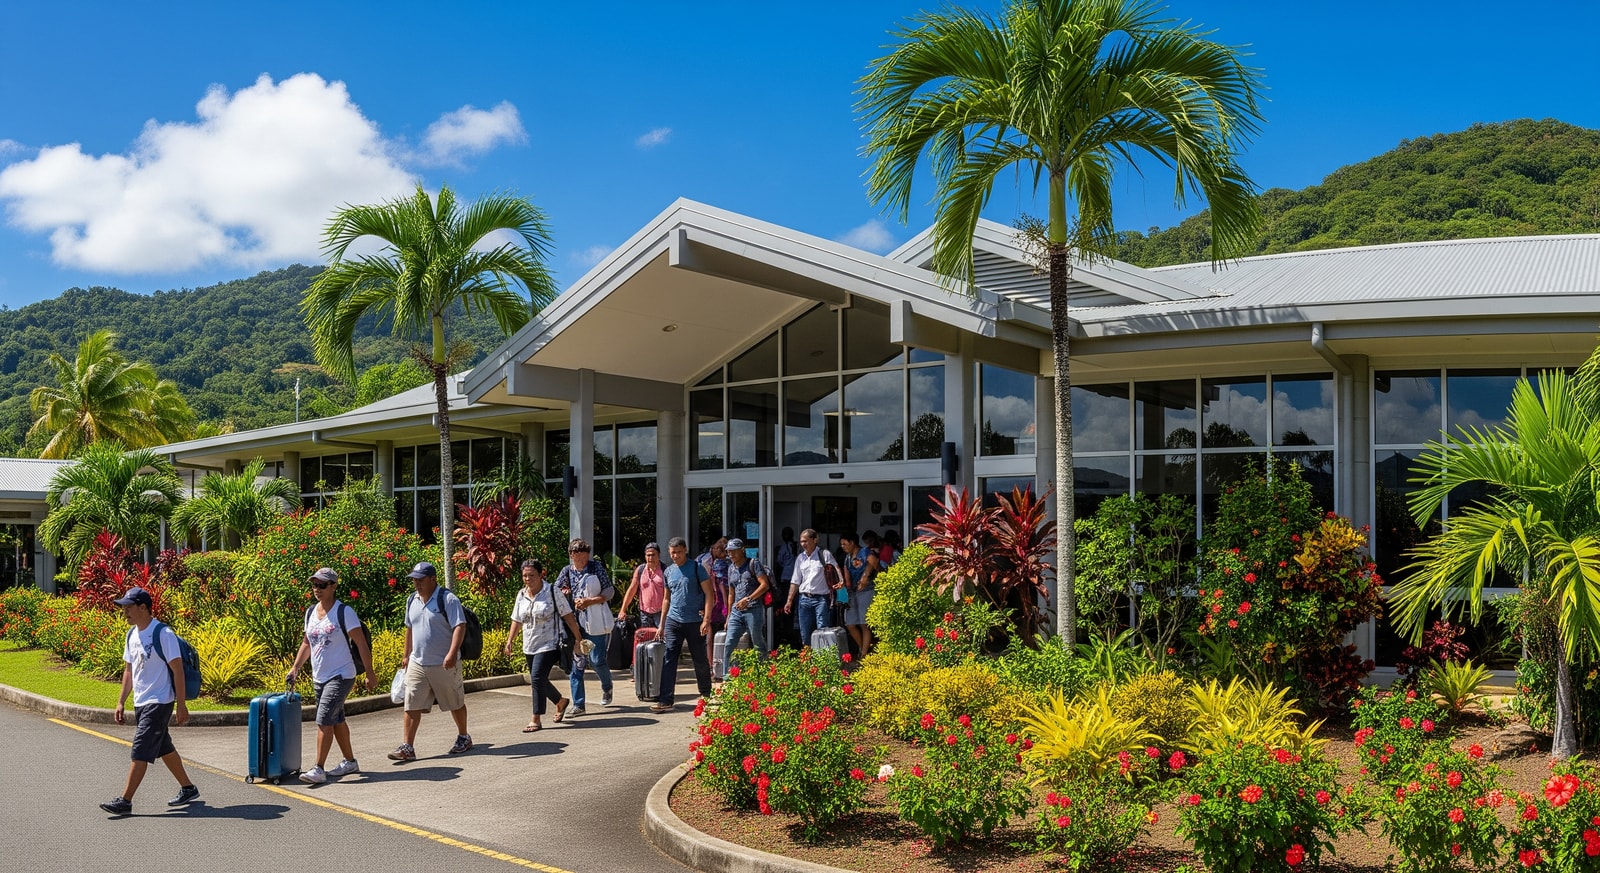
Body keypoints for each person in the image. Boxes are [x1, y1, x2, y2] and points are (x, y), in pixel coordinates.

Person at [99, 586, 198, 815]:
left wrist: (181, 704)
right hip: (141, 701)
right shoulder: (132, 634)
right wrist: (121, 701)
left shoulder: (164, 634)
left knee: (140, 749)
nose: (125, 612)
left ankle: (125, 800)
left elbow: (178, 671)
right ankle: (188, 788)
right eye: (123, 607)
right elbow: (128, 670)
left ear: (144, 608)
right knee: (163, 747)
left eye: (129, 607)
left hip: (160, 701)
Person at [287, 567, 377, 784]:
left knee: (324, 719)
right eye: (314, 584)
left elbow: (361, 645)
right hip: (320, 677)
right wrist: (295, 667)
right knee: (336, 720)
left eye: (322, 585)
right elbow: (307, 643)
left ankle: (318, 768)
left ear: (334, 586)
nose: (317, 589)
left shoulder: (344, 612)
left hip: (341, 675)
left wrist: (370, 674)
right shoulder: (310, 612)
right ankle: (350, 762)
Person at [389, 562, 471, 761]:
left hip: (444, 662)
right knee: (411, 703)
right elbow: (409, 628)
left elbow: (459, 626)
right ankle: (407, 747)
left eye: (420, 579)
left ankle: (463, 736)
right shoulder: (412, 600)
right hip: (418, 662)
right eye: (414, 580)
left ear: (433, 579)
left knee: (454, 701)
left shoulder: (448, 599)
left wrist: (452, 653)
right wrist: (406, 655)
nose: (417, 583)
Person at [503, 559, 584, 731]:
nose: (527, 579)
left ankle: (536, 719)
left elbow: (568, 616)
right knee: (537, 679)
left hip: (550, 643)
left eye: (531, 575)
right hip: (529, 644)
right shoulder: (521, 595)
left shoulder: (552, 591)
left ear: (541, 575)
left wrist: (578, 638)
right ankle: (560, 701)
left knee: (537, 678)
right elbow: (516, 620)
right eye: (524, 575)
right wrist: (510, 641)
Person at [650, 536, 715, 714]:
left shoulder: (697, 568)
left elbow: (710, 595)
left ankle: (706, 694)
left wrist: (706, 620)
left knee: (699, 659)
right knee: (669, 658)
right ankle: (665, 699)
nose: (676, 556)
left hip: (694, 621)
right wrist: (661, 624)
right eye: (672, 553)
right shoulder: (669, 571)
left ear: (685, 550)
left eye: (678, 552)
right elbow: (666, 599)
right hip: (673, 620)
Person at [554, 538, 616, 714]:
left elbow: (609, 591)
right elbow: (556, 591)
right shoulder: (566, 571)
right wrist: (566, 593)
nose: (581, 561)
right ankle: (579, 704)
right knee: (577, 663)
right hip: (574, 623)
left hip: (595, 620)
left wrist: (590, 601)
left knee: (596, 660)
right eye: (578, 557)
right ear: (571, 555)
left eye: (584, 557)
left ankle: (607, 685)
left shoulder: (595, 567)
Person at [783, 528, 842, 646]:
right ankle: (808, 659)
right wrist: (789, 600)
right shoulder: (800, 558)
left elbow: (836, 569)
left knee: (822, 631)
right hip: (804, 599)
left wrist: (841, 581)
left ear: (815, 540)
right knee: (805, 632)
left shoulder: (824, 554)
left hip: (821, 599)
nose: (803, 544)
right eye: (801, 541)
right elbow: (795, 581)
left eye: (806, 541)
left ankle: (822, 659)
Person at [722, 538, 771, 660]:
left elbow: (764, 585)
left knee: (757, 641)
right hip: (736, 611)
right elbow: (731, 593)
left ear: (742, 550)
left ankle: (762, 669)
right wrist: (728, 615)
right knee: (729, 642)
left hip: (754, 608)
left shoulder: (753, 563)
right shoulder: (730, 568)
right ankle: (726, 675)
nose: (731, 554)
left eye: (734, 551)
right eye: (729, 551)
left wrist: (748, 599)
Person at [839, 532, 880, 659]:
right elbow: (846, 578)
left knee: (864, 624)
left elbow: (875, 563)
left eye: (844, 544)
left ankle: (863, 655)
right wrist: (842, 591)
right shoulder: (847, 558)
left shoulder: (864, 552)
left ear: (852, 543)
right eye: (841, 544)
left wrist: (866, 576)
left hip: (867, 590)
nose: (842, 546)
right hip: (853, 592)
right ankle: (863, 647)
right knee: (850, 624)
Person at [697, 536, 731, 668]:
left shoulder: (720, 562)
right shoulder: (708, 562)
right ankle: (713, 664)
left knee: (714, 634)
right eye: (722, 550)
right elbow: (720, 587)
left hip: (714, 601)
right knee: (711, 633)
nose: (725, 554)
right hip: (712, 601)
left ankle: (714, 664)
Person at [616, 542, 666, 630]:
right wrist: (623, 610)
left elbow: (669, 595)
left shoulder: (665, 570)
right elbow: (632, 590)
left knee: (662, 640)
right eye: (648, 555)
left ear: (659, 555)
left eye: (653, 555)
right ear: (645, 556)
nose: (650, 558)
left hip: (661, 613)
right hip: (645, 613)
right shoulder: (640, 570)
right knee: (646, 641)